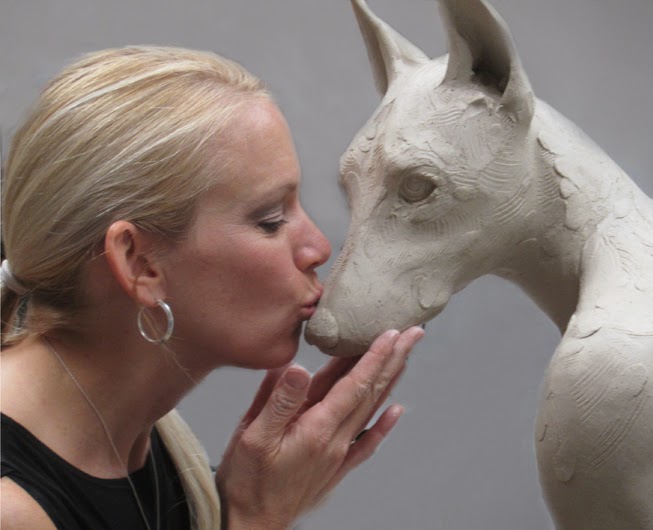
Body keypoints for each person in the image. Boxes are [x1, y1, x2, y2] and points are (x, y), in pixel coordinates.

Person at [0, 45, 425, 530]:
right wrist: (256, 516)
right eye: (270, 220)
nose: (318, 247)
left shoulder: (137, 440)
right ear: (139, 262)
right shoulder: (13, 511)